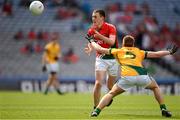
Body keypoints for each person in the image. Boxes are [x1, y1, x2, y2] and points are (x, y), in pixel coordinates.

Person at [88, 35, 178, 117]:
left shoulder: (118, 51)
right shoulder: (138, 51)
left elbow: (100, 49)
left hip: (127, 78)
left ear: (123, 44)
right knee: (155, 87)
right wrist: (169, 52)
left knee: (111, 93)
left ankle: (96, 111)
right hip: (142, 77)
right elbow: (156, 54)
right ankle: (163, 109)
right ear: (133, 44)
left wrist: (92, 41)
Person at [84, 9, 119, 109]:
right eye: (92, 16)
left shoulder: (111, 27)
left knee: (110, 87)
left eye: (95, 16)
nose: (93, 18)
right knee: (99, 83)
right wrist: (90, 48)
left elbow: (112, 42)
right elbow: (91, 41)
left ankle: (109, 96)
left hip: (113, 59)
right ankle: (96, 108)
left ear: (102, 18)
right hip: (101, 58)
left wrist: (99, 36)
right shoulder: (91, 30)